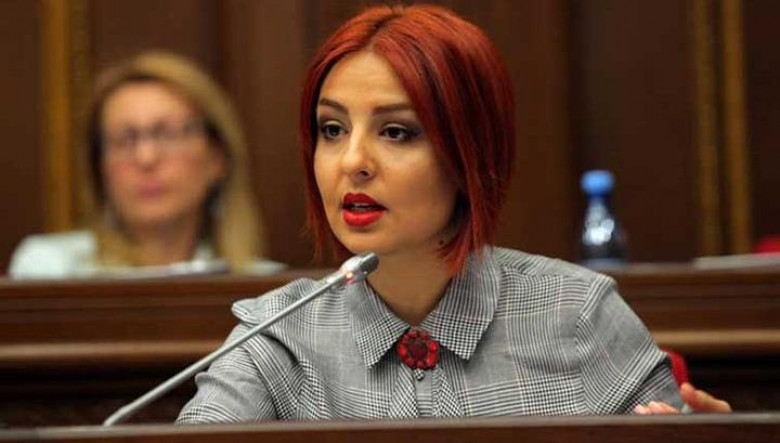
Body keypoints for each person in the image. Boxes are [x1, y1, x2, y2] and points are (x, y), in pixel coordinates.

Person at [178, 5, 727, 422]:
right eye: (333, 129)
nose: (352, 162)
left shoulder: (577, 315)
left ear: (468, 155)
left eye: (397, 132)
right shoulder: (280, 335)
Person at [8, 51, 284, 278]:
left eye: (168, 134)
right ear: (99, 167)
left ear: (217, 158)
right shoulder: (49, 270)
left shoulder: (266, 291)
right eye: (124, 139)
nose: (146, 158)